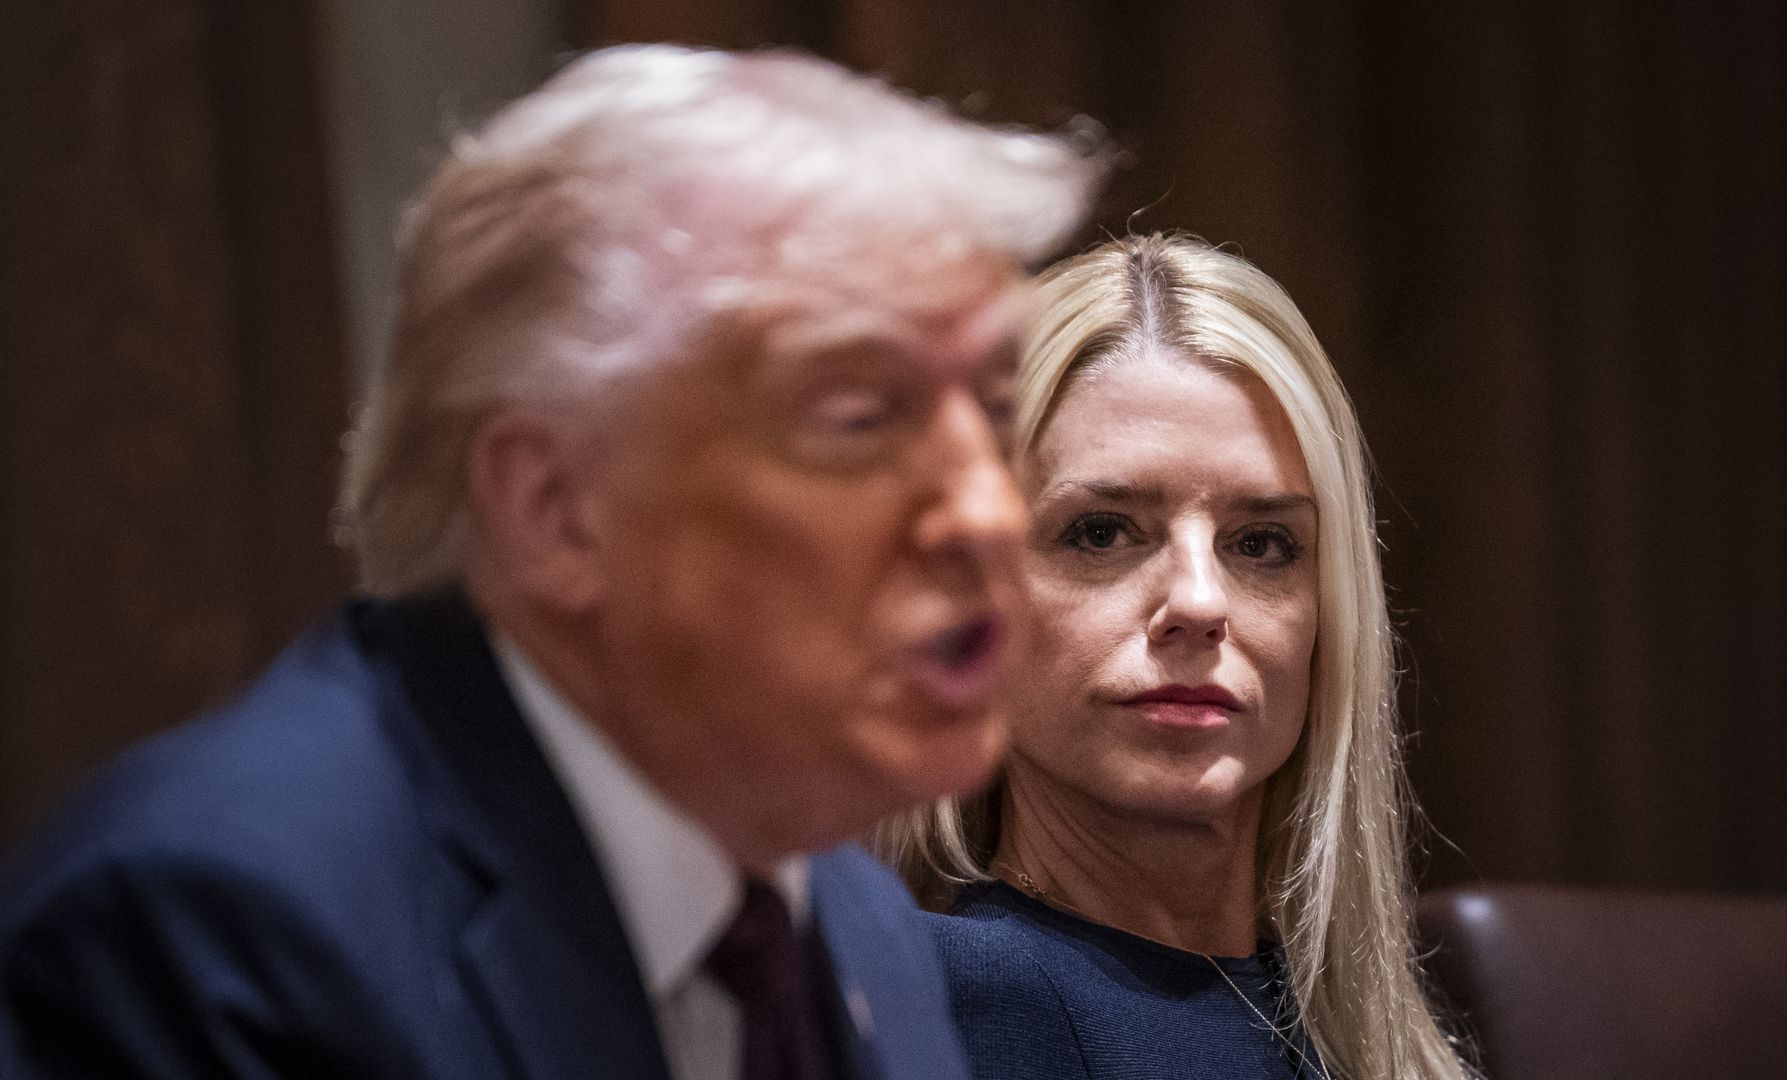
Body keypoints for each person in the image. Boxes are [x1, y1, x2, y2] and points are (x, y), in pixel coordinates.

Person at [0, 45, 1097, 1080]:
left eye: (995, 412)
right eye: (861, 416)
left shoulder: (857, 924)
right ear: (552, 510)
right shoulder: (217, 931)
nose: (988, 512)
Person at [879, 234, 1473, 1079]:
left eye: (1263, 544)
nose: (1198, 602)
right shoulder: (961, 1001)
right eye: (1102, 531)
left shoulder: (1360, 1032)